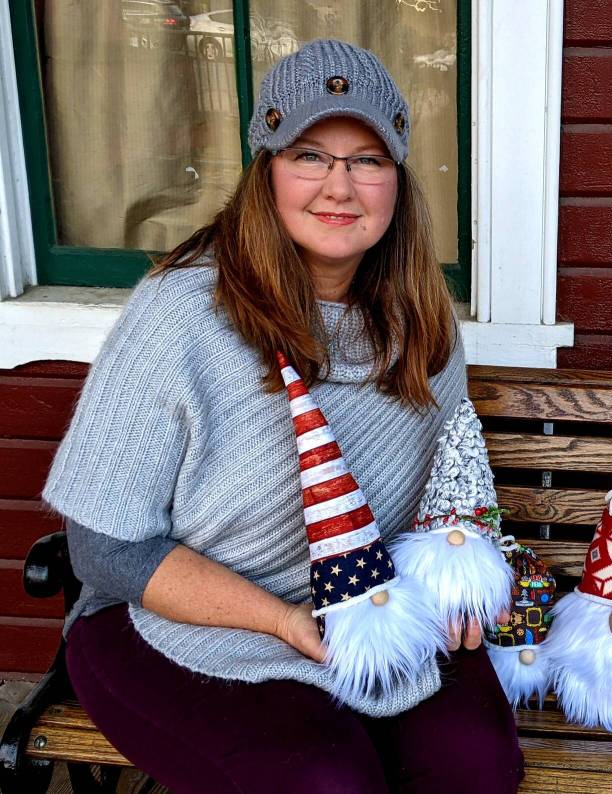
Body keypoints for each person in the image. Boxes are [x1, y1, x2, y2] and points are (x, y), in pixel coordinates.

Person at [42, 39, 523, 794]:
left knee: (475, 765)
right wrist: (280, 620)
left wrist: (458, 574)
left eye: (367, 160)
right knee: (322, 782)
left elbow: (442, 497)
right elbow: (105, 551)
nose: (339, 186)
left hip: (367, 602)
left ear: (398, 180)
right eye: (309, 155)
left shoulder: (422, 324)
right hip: (167, 616)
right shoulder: (181, 314)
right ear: (265, 170)